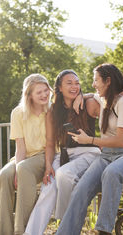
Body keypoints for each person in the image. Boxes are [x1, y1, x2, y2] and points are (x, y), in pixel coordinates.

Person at [56, 63, 123, 235]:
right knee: (81, 189)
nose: (93, 84)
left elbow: (121, 141)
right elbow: (92, 95)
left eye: (96, 80)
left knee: (111, 173)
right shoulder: (105, 98)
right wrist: (81, 96)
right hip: (107, 156)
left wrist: (89, 139)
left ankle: (103, 230)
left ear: (108, 81)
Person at [24, 69, 101, 235]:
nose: (74, 86)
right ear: (59, 87)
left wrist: (85, 95)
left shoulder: (88, 104)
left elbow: (106, 100)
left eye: (77, 83)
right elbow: (50, 143)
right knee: (48, 186)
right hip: (65, 155)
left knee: (64, 175)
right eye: (69, 83)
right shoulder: (53, 112)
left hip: (89, 154)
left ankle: (65, 224)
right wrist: (47, 167)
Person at [0, 73, 52, 235]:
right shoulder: (18, 113)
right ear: (29, 95)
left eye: (45, 90)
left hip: (44, 156)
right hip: (24, 157)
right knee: (4, 175)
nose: (44, 95)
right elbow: (20, 147)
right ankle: (5, 231)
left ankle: (21, 231)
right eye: (38, 92)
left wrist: (21, 170)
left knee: (24, 170)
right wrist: (16, 170)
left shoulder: (52, 110)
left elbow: (50, 145)